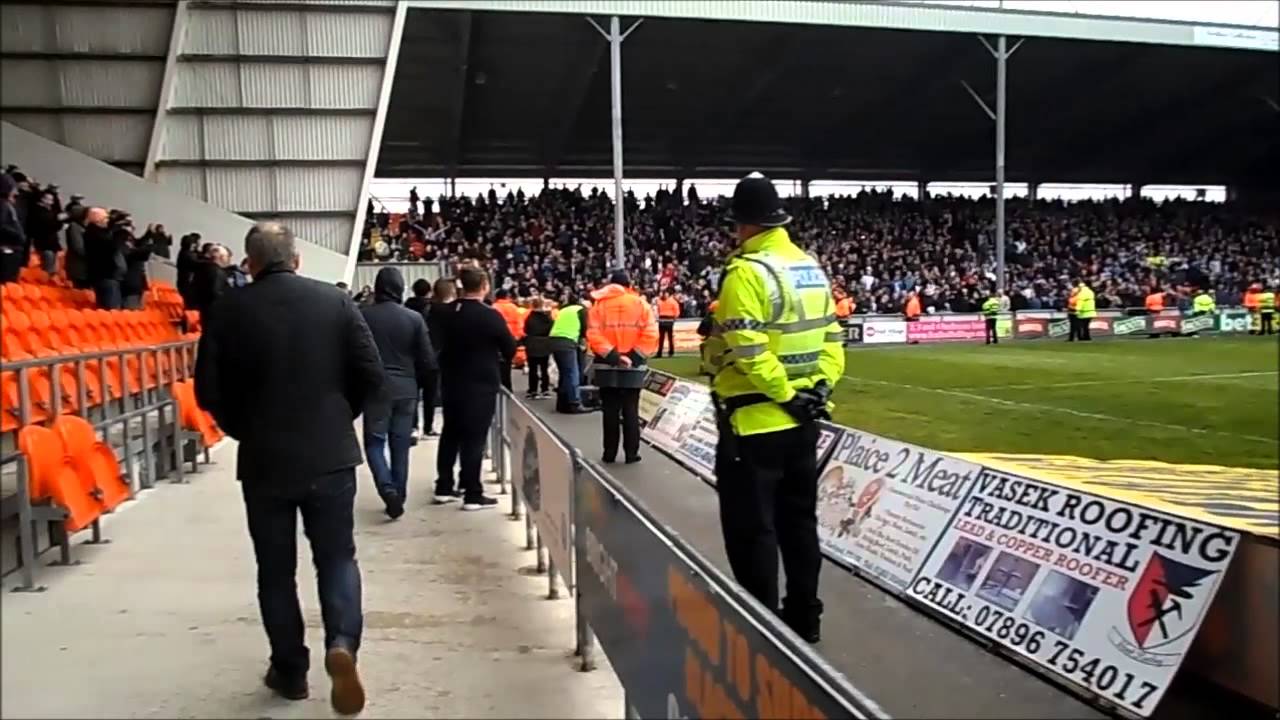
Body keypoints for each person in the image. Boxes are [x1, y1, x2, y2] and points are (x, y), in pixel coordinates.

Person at [194, 222, 383, 714]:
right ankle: (342, 643)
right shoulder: (336, 302)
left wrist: (243, 428)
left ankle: (290, 671)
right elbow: (371, 373)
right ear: (296, 259)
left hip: (264, 459)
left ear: (249, 263)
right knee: (337, 558)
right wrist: (341, 416)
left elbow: (207, 392)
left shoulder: (228, 309)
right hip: (330, 453)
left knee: (275, 571)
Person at [702, 172, 843, 644]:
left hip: (753, 420)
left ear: (743, 225)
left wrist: (782, 393)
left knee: (752, 531)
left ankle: (760, 631)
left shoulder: (746, 272)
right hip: (804, 420)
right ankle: (806, 618)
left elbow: (748, 347)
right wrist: (816, 391)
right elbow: (831, 338)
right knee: (800, 525)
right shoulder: (810, 267)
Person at [433, 266, 515, 510]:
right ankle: (472, 492)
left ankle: (444, 486)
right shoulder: (490, 316)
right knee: (474, 439)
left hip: (451, 382)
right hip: (480, 384)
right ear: (484, 286)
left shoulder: (446, 313)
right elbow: (509, 348)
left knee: (450, 434)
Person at [360, 267, 436, 519]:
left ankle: (386, 487)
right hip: (406, 387)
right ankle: (398, 494)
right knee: (400, 445)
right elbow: (427, 360)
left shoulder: (362, 315)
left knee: (374, 442)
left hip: (374, 387)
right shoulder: (413, 318)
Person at [587, 270, 659, 464]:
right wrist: (633, 357)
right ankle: (631, 453)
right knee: (630, 410)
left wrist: (614, 356)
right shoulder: (640, 304)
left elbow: (593, 335)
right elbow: (651, 333)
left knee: (609, 410)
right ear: (629, 285)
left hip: (606, 364)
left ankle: (609, 453)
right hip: (633, 366)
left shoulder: (598, 306)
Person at [549, 292, 590, 414]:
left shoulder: (564, 310)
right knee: (572, 373)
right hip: (567, 341)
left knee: (564, 372)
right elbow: (585, 329)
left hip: (554, 339)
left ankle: (562, 403)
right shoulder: (581, 310)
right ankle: (574, 403)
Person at [522, 297, 554, 400]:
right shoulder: (547, 318)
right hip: (545, 344)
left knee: (533, 369)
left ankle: (533, 390)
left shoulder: (529, 317)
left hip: (532, 344)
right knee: (544, 368)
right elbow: (551, 329)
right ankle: (545, 389)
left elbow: (526, 329)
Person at [492, 289, 524, 391]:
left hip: (497, 338)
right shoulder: (513, 308)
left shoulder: (494, 308)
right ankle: (508, 387)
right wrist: (518, 336)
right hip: (511, 338)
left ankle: (499, 386)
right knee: (507, 364)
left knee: (497, 363)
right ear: (507, 296)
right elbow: (520, 323)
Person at [0, 173, 26, 284]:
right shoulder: (3, 205)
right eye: (13, 188)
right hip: (7, 252)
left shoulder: (6, 204)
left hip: (12, 251)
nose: (16, 192)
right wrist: (18, 235)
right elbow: (1, 226)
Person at [656, 289, 680, 357]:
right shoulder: (659, 301)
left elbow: (677, 310)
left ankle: (671, 352)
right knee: (661, 337)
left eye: (665, 293)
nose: (664, 295)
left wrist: (675, 318)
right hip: (662, 318)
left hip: (669, 319)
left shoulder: (673, 301)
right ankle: (659, 352)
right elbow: (658, 309)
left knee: (670, 336)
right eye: (663, 293)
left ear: (668, 294)